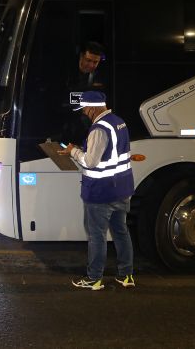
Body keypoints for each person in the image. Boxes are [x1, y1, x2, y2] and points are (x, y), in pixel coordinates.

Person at [58, 91, 134, 290]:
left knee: (96, 236)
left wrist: (72, 151)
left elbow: (91, 162)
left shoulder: (98, 129)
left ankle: (94, 279)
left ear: (92, 107)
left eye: (84, 108)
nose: (83, 112)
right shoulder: (119, 122)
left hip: (101, 192)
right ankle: (126, 276)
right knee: (121, 232)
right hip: (122, 189)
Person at [62, 41, 107, 145]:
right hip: (64, 120)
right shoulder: (67, 71)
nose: (91, 65)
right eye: (88, 60)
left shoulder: (100, 75)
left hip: (85, 124)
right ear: (81, 56)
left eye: (95, 62)